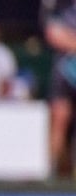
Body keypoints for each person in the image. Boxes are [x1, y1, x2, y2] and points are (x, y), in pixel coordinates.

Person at [42, 0, 76, 178]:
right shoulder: (59, 4)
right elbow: (53, 34)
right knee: (59, 118)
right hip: (64, 72)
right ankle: (51, 172)